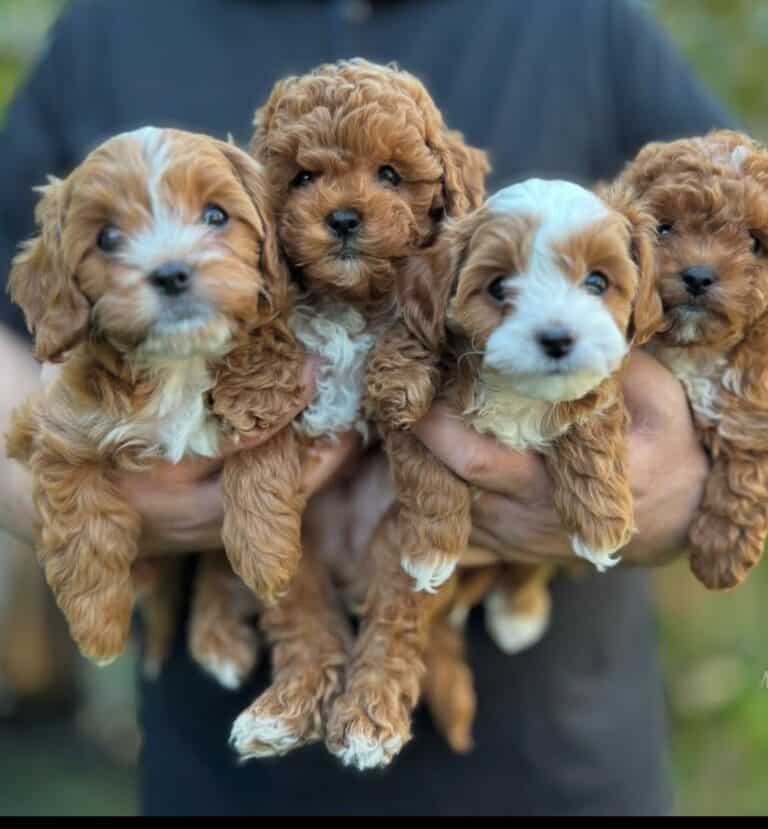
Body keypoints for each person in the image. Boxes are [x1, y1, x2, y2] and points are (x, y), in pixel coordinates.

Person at [0, 0, 731, 816]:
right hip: (220, 771)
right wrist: (59, 497)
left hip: (559, 754)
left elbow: (730, 259)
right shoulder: (105, 27)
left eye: (390, 177)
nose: (346, 206)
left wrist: (690, 470)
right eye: (305, 179)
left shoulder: (589, 21)